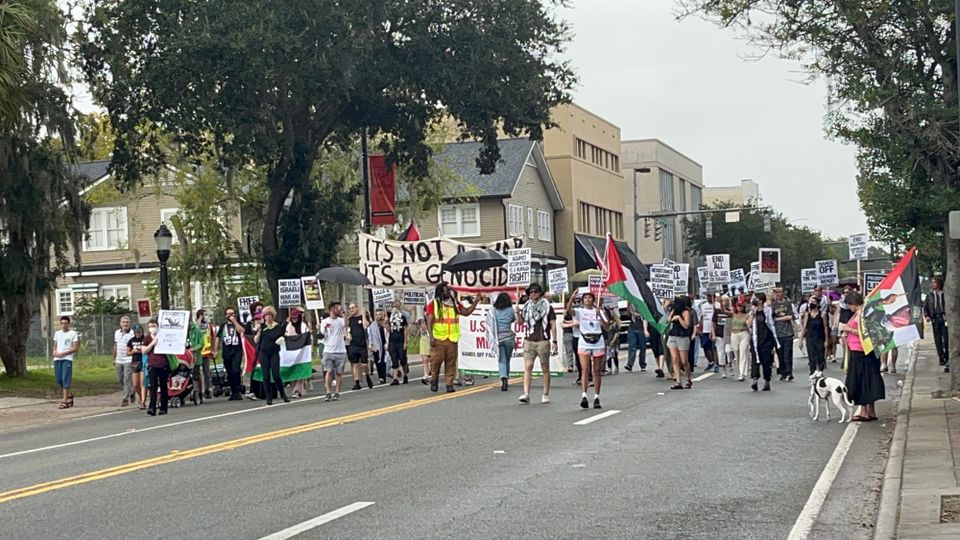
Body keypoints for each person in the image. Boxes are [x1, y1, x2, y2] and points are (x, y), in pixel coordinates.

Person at [425, 283, 479, 393]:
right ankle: (434, 380)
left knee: (451, 363)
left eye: (449, 291)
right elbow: (429, 321)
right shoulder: (434, 304)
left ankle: (449, 384)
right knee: (436, 362)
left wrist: (476, 301)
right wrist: (431, 336)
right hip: (439, 338)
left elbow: (466, 312)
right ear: (441, 292)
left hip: (452, 339)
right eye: (446, 291)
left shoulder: (454, 303)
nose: (449, 293)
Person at [842, 291, 884, 421]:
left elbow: (864, 333)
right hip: (863, 350)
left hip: (861, 350)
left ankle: (864, 411)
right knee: (869, 379)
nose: (849, 308)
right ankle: (871, 411)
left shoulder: (862, 314)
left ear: (853, 303)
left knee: (861, 380)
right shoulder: (865, 312)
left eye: (849, 305)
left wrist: (848, 329)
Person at [517, 283, 556, 404]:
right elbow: (520, 323)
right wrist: (518, 313)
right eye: (530, 292)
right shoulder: (526, 306)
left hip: (542, 340)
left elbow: (553, 323)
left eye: (535, 292)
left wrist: (554, 340)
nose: (532, 294)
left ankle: (545, 393)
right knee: (528, 366)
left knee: (545, 367)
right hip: (529, 340)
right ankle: (526, 393)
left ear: (540, 293)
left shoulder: (547, 306)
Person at [573, 292, 608, 408]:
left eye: (590, 298)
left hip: (598, 341)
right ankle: (584, 395)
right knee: (585, 369)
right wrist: (571, 299)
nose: (587, 300)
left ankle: (597, 397)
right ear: (583, 300)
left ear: (593, 300)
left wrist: (600, 315)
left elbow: (607, 326)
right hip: (584, 341)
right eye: (585, 298)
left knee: (597, 370)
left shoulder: (598, 311)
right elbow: (568, 311)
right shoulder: (580, 311)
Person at [253, 306, 290, 406]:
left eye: (270, 315)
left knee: (276, 375)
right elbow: (256, 340)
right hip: (263, 353)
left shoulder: (277, 327)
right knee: (266, 376)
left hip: (274, 353)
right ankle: (269, 398)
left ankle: (283, 394)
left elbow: (282, 335)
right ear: (264, 316)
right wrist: (259, 331)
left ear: (273, 316)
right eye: (266, 315)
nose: (268, 317)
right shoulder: (261, 327)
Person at [749, 292, 780, 392]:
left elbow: (771, 324)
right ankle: (755, 380)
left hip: (766, 340)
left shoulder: (767, 310)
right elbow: (749, 324)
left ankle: (767, 380)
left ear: (761, 300)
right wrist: (752, 313)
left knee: (766, 361)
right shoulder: (752, 311)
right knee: (755, 361)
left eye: (756, 299)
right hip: (755, 340)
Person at [319, 302, 348, 401]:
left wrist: (344, 314)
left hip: (340, 351)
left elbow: (346, 324)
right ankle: (328, 392)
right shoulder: (325, 321)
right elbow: (322, 333)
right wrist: (320, 331)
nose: (338, 310)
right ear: (331, 309)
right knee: (329, 371)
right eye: (336, 308)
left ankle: (337, 392)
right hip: (328, 350)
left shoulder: (340, 321)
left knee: (339, 373)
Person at [216, 307, 246, 400]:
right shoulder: (223, 325)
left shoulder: (238, 324)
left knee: (236, 370)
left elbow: (242, 331)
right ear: (226, 315)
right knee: (229, 372)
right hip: (227, 351)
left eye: (232, 313)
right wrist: (215, 350)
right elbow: (218, 337)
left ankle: (237, 390)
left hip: (237, 350)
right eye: (229, 314)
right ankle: (233, 392)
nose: (231, 315)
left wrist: (235, 322)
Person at [489, 292, 516, 391]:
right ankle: (507, 377)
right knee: (508, 359)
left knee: (501, 360)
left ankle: (503, 377)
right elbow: (513, 319)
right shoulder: (510, 310)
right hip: (509, 337)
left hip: (498, 338)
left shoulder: (494, 311)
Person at [666, 296, 694, 390]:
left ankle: (689, 379)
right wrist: (672, 313)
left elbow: (686, 326)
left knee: (684, 361)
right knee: (675, 359)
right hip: (673, 335)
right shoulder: (673, 311)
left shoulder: (686, 312)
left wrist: (679, 318)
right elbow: (668, 321)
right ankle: (678, 381)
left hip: (683, 337)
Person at [188, 309, 216, 402]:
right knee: (196, 373)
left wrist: (213, 350)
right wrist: (198, 322)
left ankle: (208, 388)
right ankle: (198, 390)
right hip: (197, 353)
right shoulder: (195, 326)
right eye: (204, 315)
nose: (206, 317)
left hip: (206, 352)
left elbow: (213, 337)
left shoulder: (208, 326)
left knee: (207, 372)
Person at [52, 316, 79, 409]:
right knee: (59, 379)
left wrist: (63, 353)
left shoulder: (73, 334)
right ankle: (68, 395)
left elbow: (74, 348)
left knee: (65, 379)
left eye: (65, 323)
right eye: (62, 323)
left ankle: (65, 400)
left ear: (69, 324)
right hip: (57, 359)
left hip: (67, 358)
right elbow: (55, 345)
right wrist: (55, 351)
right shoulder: (57, 333)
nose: (64, 325)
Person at [771, 287, 796, 381]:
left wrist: (778, 319)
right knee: (780, 354)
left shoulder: (788, 303)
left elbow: (790, 316)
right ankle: (783, 372)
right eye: (776, 292)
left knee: (787, 354)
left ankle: (789, 372)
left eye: (779, 292)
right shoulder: (773, 305)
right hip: (777, 333)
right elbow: (771, 318)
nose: (778, 294)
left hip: (787, 332)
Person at [346, 304, 374, 390]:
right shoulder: (350, 319)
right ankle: (357, 382)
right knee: (355, 364)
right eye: (350, 308)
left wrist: (363, 315)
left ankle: (367, 375)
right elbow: (346, 329)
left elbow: (365, 326)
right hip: (353, 344)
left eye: (353, 308)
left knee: (364, 364)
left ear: (357, 308)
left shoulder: (362, 317)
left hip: (362, 344)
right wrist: (347, 335)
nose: (351, 309)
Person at [285, 307, 311, 398]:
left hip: (302, 352)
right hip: (292, 352)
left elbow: (306, 337)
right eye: (293, 317)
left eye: (296, 317)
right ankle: (295, 388)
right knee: (293, 371)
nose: (294, 319)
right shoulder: (288, 326)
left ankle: (298, 390)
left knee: (300, 371)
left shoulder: (303, 326)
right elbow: (286, 336)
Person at [799, 297, 830, 374]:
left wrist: (826, 340)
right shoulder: (807, 315)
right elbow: (804, 327)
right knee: (811, 357)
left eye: (813, 302)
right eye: (810, 302)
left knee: (820, 357)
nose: (811, 304)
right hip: (810, 338)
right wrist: (800, 340)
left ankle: (820, 372)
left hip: (820, 338)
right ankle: (812, 374)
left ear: (818, 304)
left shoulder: (822, 315)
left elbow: (825, 327)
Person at [144, 319, 169, 416]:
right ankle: (152, 407)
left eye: (154, 326)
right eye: (150, 326)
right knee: (153, 387)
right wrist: (152, 343)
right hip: (152, 365)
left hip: (163, 365)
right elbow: (144, 351)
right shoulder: (147, 338)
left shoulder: (163, 337)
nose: (152, 328)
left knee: (163, 387)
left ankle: (163, 407)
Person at [242, 301, 265, 400]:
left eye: (261, 310)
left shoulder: (265, 321)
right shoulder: (249, 324)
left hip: (264, 348)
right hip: (253, 349)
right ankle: (252, 390)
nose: (260, 312)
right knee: (254, 369)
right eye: (258, 310)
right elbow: (247, 336)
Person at [924, 276, 948, 367]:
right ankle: (941, 357)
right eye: (932, 282)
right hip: (935, 318)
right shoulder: (930, 294)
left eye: (934, 282)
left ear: (939, 283)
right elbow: (926, 307)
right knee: (938, 340)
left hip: (944, 317)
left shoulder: (944, 294)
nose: (933, 284)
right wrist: (927, 316)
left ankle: (947, 357)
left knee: (946, 339)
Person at [114, 315, 135, 406]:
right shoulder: (117, 333)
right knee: (119, 379)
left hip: (128, 359)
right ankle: (131, 391)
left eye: (127, 322)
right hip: (119, 358)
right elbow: (115, 345)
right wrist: (113, 358)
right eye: (123, 322)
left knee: (127, 379)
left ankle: (125, 398)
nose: (125, 324)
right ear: (120, 323)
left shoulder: (132, 333)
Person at [387, 305, 410, 385]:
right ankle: (395, 378)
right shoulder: (390, 318)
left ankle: (405, 375)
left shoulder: (402, 317)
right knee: (394, 359)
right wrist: (386, 322)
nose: (394, 309)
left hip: (400, 341)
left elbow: (405, 329)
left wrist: (405, 342)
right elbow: (389, 330)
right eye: (393, 308)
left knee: (402, 359)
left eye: (395, 308)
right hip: (392, 341)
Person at [127, 324, 147, 410]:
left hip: (143, 361)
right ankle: (140, 396)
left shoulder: (145, 339)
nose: (138, 333)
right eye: (136, 332)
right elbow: (127, 352)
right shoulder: (131, 340)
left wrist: (143, 350)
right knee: (136, 384)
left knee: (143, 382)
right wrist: (134, 351)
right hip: (135, 362)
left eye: (139, 332)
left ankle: (143, 401)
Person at [729, 300, 751, 381]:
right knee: (736, 351)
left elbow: (749, 324)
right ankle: (739, 371)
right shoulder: (733, 314)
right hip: (734, 334)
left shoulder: (747, 315)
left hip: (744, 333)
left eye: (741, 306)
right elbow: (723, 310)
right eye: (738, 306)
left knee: (743, 352)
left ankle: (742, 373)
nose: (739, 307)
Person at [623, 303, 648, 373]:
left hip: (641, 329)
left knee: (642, 347)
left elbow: (645, 318)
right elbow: (628, 314)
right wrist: (628, 305)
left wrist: (645, 330)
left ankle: (642, 364)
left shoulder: (642, 304)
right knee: (632, 347)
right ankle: (630, 364)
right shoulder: (631, 306)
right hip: (632, 328)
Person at [368, 310, 390, 384]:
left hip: (384, 345)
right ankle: (381, 377)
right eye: (376, 314)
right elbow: (370, 335)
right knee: (378, 361)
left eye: (379, 314)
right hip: (376, 345)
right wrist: (370, 345)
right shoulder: (373, 325)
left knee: (384, 361)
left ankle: (384, 375)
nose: (378, 316)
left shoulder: (385, 324)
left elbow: (388, 333)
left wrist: (387, 344)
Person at [417, 318, 433, 385]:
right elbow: (416, 335)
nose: (423, 325)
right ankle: (426, 374)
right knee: (425, 359)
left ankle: (432, 372)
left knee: (432, 359)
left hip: (430, 341)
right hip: (423, 341)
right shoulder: (421, 322)